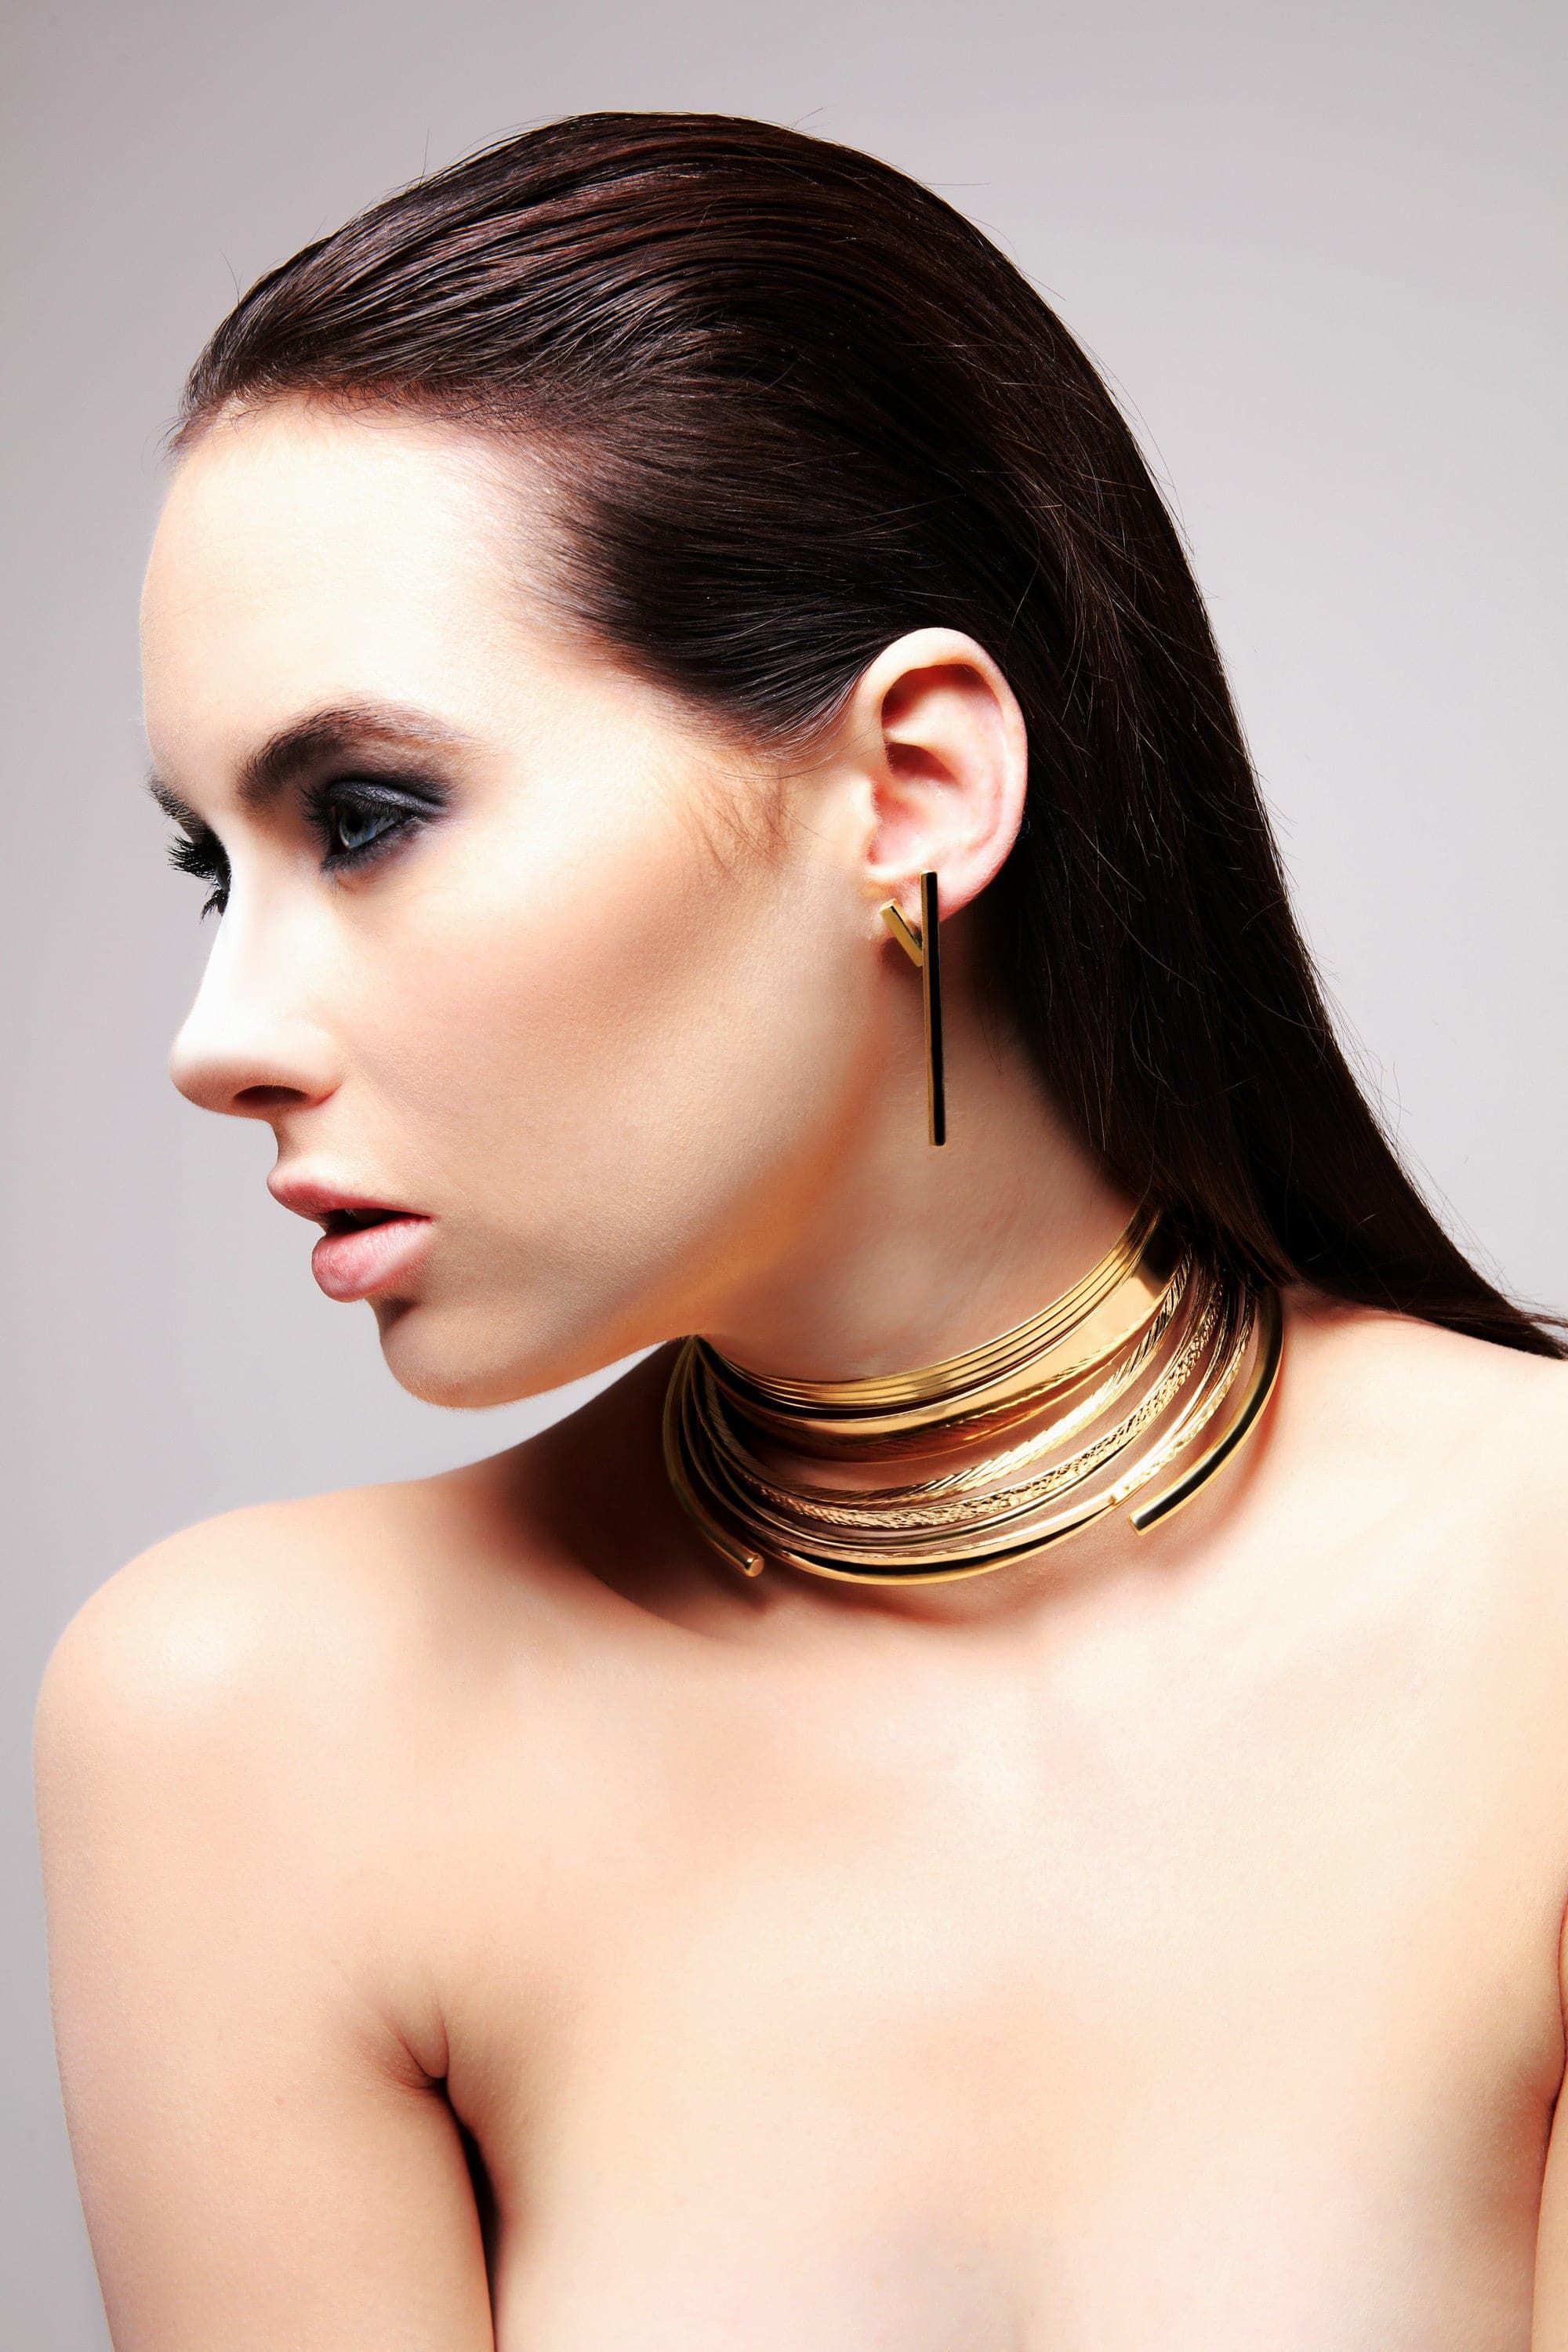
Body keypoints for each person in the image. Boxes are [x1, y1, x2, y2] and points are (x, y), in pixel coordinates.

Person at [34, 111, 1568, 2351]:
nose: (217, 1040)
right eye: (215, 867)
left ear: (914, 791)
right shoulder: (248, 1734)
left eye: (363, 817)